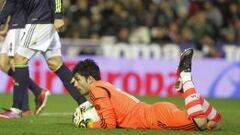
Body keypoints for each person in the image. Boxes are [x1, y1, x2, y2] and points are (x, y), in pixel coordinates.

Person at [72, 48, 222, 130]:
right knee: (213, 121)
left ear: (90, 79)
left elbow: (108, 124)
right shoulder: (104, 85)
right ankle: (185, 89)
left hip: (156, 119)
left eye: (78, 80)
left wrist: (89, 124)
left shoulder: (95, 89)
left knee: (199, 122)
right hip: (157, 112)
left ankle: (185, 75)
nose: (75, 84)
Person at [0, 0, 89, 119]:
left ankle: (17, 109)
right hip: (45, 20)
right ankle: (84, 104)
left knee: (19, 59)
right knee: (55, 63)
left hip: (40, 18)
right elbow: (11, 3)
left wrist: (58, 16)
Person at [0, 0, 49, 117]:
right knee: (3, 64)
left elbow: (10, 4)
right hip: (14, 23)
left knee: (15, 64)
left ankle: (23, 108)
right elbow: (12, 4)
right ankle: (37, 91)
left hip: (20, 24)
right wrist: (6, 26)